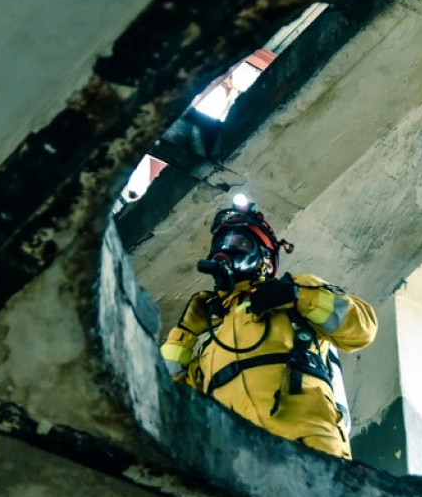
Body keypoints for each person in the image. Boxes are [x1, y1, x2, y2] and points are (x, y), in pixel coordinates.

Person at [160, 194, 377, 459]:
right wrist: (183, 334)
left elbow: (363, 328)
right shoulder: (212, 344)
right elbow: (168, 404)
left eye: (239, 242)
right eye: (221, 242)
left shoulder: (296, 297)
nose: (226, 249)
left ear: (264, 259)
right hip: (240, 469)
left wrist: (297, 296)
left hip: (311, 453)